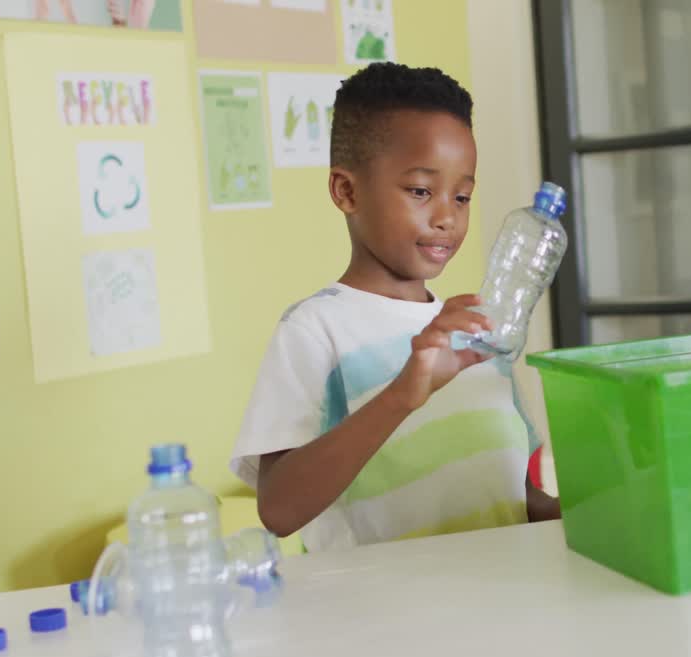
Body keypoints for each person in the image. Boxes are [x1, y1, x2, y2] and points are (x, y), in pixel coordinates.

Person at [231, 62, 560, 552]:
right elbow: (278, 511)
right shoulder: (316, 330)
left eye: (463, 196)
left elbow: (513, 494)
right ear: (347, 191)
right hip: (383, 622)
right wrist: (405, 392)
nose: (447, 217)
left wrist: (581, 509)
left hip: (498, 607)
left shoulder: (475, 334)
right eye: (421, 191)